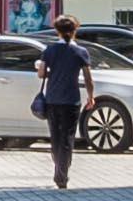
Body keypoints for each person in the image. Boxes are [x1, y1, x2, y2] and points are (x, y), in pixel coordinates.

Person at [29, 12, 92, 190]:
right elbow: (88, 78)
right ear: (75, 31)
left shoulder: (49, 50)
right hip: (72, 101)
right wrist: (91, 96)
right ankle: (62, 174)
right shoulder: (81, 52)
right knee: (67, 138)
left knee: (55, 137)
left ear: (57, 31)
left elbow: (41, 73)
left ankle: (59, 167)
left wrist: (53, 73)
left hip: (53, 99)